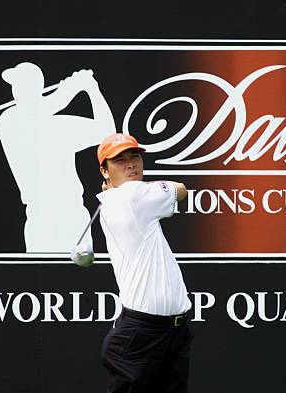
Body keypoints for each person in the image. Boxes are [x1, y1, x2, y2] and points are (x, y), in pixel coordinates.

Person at [95, 133, 192, 393]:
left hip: (172, 332)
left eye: (134, 156)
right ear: (104, 171)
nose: (131, 164)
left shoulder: (117, 198)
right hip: (141, 336)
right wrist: (139, 186)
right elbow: (181, 189)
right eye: (120, 161)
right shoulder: (132, 195)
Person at [0, 62, 115, 252]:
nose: (15, 91)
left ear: (34, 88)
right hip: (40, 219)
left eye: (20, 85)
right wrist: (77, 87)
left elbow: (108, 133)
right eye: (15, 86)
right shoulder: (9, 120)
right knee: (40, 281)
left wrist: (91, 89)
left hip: (72, 216)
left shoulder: (59, 127)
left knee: (80, 280)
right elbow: (51, 104)